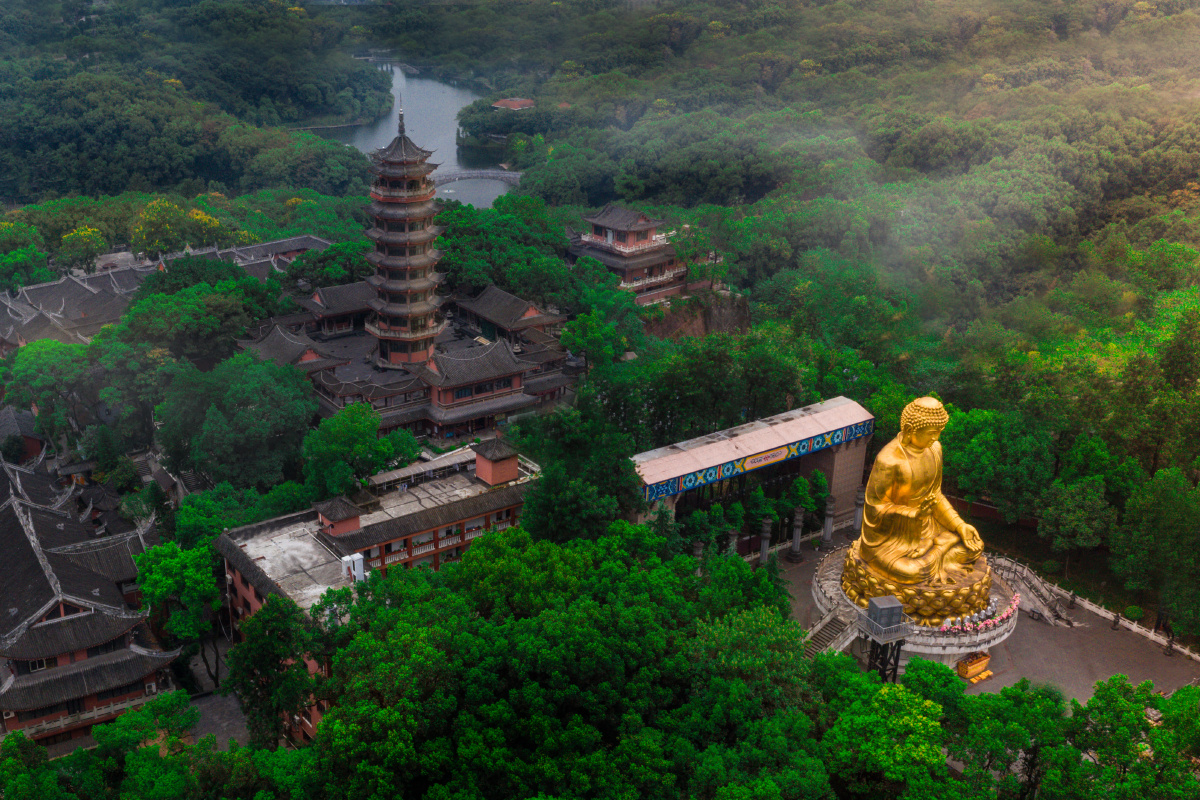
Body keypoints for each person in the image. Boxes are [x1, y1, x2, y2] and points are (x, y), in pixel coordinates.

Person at [857, 396, 984, 586]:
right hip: (893, 539)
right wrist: (914, 514)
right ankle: (941, 548)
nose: (936, 438)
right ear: (910, 429)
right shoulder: (889, 460)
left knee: (975, 545)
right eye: (931, 433)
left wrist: (959, 526)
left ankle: (937, 547)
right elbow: (876, 509)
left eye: (939, 432)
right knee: (910, 572)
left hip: (929, 528)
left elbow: (936, 496)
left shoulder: (934, 450)